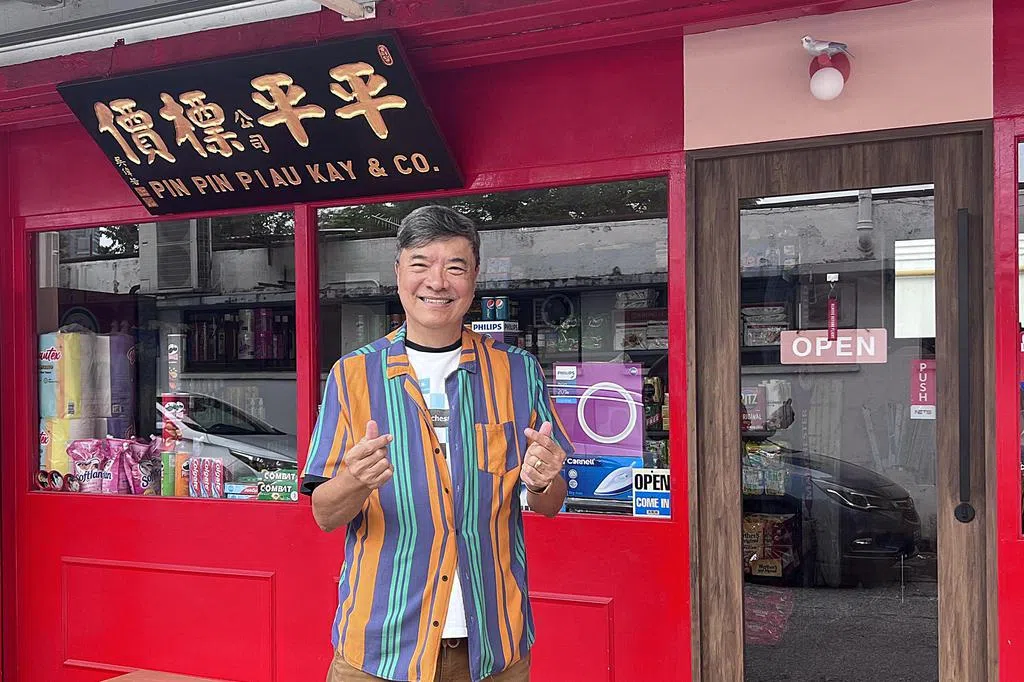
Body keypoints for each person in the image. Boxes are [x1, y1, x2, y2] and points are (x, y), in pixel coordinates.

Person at [301, 205, 573, 682]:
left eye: (455, 267)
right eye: (421, 264)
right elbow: (324, 514)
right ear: (398, 273)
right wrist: (355, 480)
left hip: (494, 645)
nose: (437, 281)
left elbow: (548, 503)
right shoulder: (353, 374)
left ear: (474, 277)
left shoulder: (517, 371)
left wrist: (544, 480)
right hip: (380, 649)